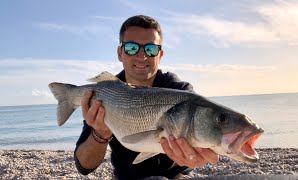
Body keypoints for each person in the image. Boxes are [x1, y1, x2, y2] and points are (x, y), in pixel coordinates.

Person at [74, 15, 219, 179]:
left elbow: (200, 143)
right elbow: (84, 166)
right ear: (120, 53)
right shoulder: (106, 92)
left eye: (150, 49)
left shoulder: (179, 91)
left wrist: (194, 157)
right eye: (131, 48)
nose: (142, 56)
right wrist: (100, 134)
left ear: (160, 55)